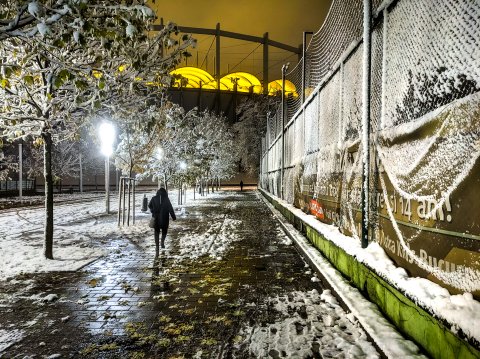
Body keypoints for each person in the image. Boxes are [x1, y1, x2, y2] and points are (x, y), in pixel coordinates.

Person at [148, 188, 176, 256]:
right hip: (164, 218)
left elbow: (149, 205)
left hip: (156, 218)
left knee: (156, 232)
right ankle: (162, 242)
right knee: (164, 231)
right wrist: (173, 217)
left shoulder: (154, 198)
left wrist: (153, 211)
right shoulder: (166, 199)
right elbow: (170, 208)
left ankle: (157, 246)